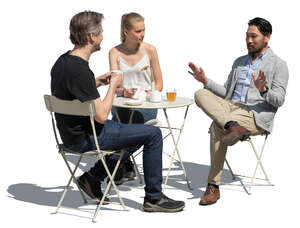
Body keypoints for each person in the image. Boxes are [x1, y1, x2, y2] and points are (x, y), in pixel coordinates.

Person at [50, 11, 184, 212]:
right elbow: (102, 116)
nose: (103, 36)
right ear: (91, 37)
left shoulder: (62, 62)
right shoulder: (81, 70)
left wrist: (96, 83)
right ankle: (154, 198)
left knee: (137, 131)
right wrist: (113, 85)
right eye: (101, 32)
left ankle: (93, 177)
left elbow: (70, 94)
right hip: (88, 137)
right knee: (153, 134)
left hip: (71, 136)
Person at [188, 17, 289, 205]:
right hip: (231, 107)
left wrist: (263, 90)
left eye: (254, 36)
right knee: (200, 94)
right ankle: (233, 126)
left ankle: (213, 186)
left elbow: (279, 100)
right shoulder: (239, 61)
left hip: (255, 114)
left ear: (267, 37)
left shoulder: (279, 64)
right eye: (247, 36)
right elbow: (227, 92)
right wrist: (206, 81)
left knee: (216, 126)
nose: (249, 40)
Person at [109, 12, 163, 185]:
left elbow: (159, 82)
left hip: (144, 104)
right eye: (138, 31)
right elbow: (113, 85)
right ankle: (123, 163)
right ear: (126, 31)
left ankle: (117, 163)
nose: (142, 34)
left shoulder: (150, 50)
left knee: (134, 124)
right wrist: (124, 92)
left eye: (143, 30)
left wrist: (148, 94)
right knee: (118, 122)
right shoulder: (114, 52)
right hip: (123, 102)